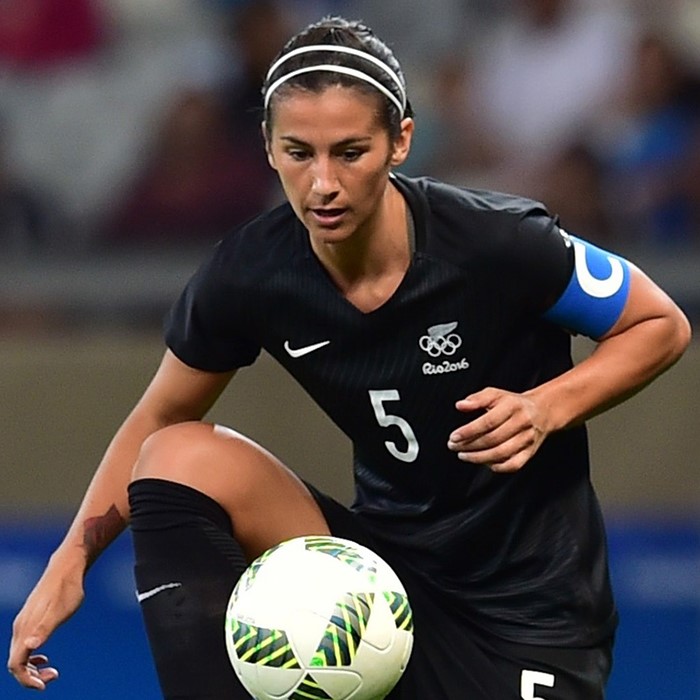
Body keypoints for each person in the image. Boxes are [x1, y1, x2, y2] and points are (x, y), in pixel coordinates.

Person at [7, 15, 692, 700]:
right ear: (269, 147)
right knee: (176, 455)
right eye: (299, 153)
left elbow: (658, 323)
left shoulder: (495, 241)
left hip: (529, 623)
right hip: (377, 595)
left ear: (401, 141)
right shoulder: (251, 272)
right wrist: (71, 561)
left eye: (350, 152)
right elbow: (157, 417)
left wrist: (546, 406)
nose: (323, 183)